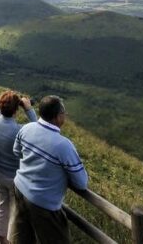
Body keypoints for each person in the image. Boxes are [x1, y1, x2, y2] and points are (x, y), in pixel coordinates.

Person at [10, 96, 88, 244]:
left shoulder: (26, 128)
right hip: (43, 203)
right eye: (64, 113)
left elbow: (17, 152)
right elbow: (81, 183)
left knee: (23, 237)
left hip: (20, 188)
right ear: (58, 117)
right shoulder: (64, 145)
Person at [0, 91, 37, 243]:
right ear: (16, 110)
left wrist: (8, 102)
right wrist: (28, 108)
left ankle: (1, 240)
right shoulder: (18, 131)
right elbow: (36, 128)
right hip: (14, 177)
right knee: (14, 213)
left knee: (1, 207)